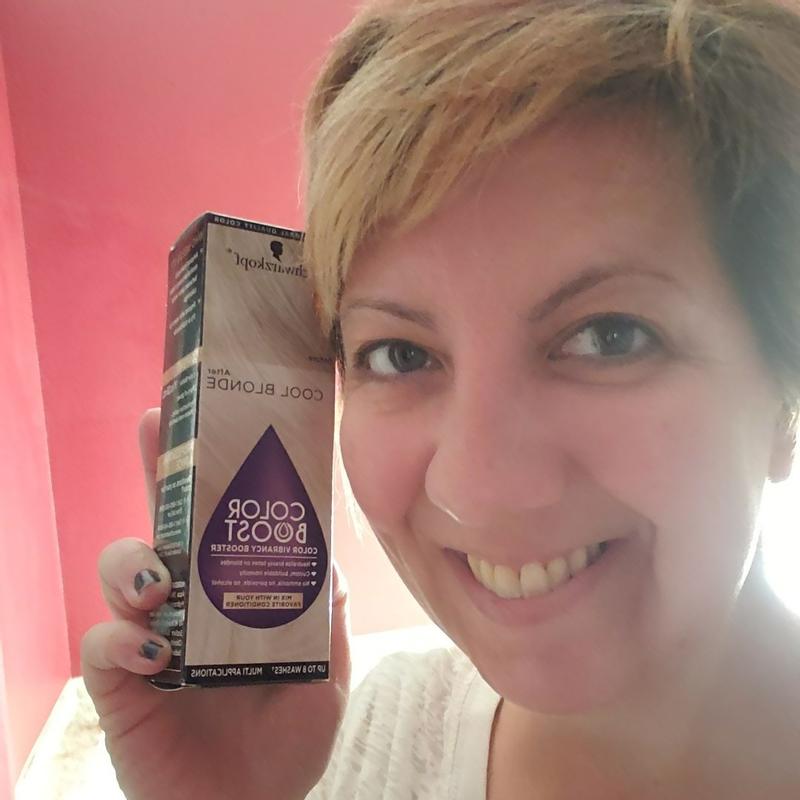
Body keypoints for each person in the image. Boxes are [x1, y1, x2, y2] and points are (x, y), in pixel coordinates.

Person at [81, 0, 800, 797]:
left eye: (610, 336)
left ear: (784, 395)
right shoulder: (358, 746)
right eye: (401, 354)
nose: (475, 488)